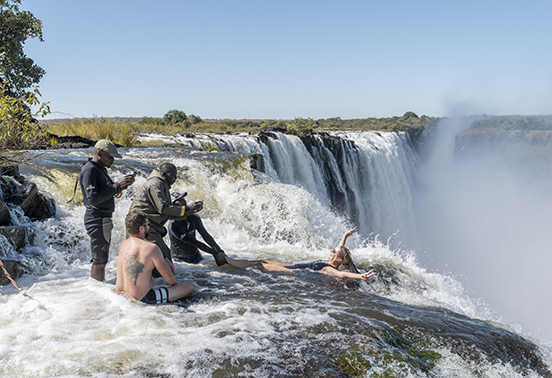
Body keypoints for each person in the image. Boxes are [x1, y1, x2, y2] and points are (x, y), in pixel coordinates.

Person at [128, 163, 217, 270]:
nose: (175, 178)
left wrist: (187, 212)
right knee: (160, 257)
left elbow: (163, 211)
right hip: (142, 225)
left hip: (150, 225)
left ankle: (163, 281)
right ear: (164, 174)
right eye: (174, 175)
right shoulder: (155, 184)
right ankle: (162, 282)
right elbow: (163, 208)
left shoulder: (161, 184)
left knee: (165, 255)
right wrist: (187, 208)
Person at [223, 228, 376, 281]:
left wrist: (360, 276)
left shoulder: (328, 268)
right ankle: (232, 259)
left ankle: (228, 261)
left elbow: (342, 275)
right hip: (293, 265)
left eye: (333, 252)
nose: (331, 251)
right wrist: (345, 235)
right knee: (261, 260)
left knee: (259, 265)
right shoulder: (333, 259)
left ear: (338, 259)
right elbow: (340, 247)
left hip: (294, 272)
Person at [79, 139, 135, 281]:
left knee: (102, 259)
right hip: (96, 218)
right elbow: (94, 199)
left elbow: (107, 191)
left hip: (102, 218)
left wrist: (121, 185)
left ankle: (98, 288)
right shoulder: (89, 170)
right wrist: (117, 186)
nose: (113, 159)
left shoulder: (100, 169)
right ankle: (97, 293)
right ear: (99, 152)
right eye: (110, 156)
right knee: (100, 260)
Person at [116, 211, 195, 304]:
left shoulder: (124, 244)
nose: (149, 227)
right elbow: (170, 280)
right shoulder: (151, 248)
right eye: (148, 224)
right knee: (189, 286)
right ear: (141, 228)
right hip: (143, 299)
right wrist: (175, 286)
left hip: (121, 296)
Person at [168, 192, 226, 264]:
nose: (184, 201)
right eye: (180, 200)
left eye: (183, 199)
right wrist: (215, 253)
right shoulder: (174, 225)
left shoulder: (194, 216)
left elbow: (205, 235)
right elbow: (194, 242)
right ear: (174, 205)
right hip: (180, 261)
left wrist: (219, 250)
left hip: (196, 256)